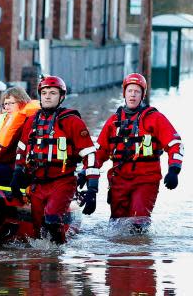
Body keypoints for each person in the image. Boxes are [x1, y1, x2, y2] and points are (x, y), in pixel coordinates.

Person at [10, 75, 99, 244]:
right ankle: (41, 263)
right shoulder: (31, 122)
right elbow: (21, 151)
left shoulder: (72, 121)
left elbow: (90, 155)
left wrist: (92, 189)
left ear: (61, 97)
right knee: (38, 230)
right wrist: (17, 173)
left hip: (62, 181)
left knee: (51, 219)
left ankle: (57, 258)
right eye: (44, 93)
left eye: (52, 92)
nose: (48, 96)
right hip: (38, 183)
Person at [94, 73, 182, 230]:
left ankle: (140, 253)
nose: (133, 94)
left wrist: (174, 169)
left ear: (142, 95)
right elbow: (99, 152)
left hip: (146, 180)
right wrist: (87, 174)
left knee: (138, 224)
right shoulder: (113, 121)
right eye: (130, 91)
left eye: (137, 91)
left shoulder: (155, 118)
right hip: (119, 181)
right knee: (116, 227)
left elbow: (175, 143)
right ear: (124, 94)